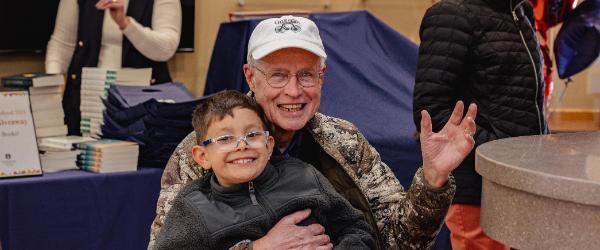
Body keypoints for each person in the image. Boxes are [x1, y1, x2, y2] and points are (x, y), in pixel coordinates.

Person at [150, 15, 478, 249]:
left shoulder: (345, 141)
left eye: (306, 75)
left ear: (322, 76)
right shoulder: (205, 149)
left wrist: (432, 180)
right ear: (251, 77)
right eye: (278, 75)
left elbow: (398, 242)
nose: (294, 91)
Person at [153, 90, 375, 249]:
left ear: (269, 146)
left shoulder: (304, 176)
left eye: (252, 135)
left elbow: (355, 228)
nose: (242, 145)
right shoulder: (194, 208)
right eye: (225, 138)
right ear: (202, 157)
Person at [412, 0, 548, 249]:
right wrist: (498, 152)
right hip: (478, 183)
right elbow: (431, 112)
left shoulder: (519, 12)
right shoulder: (451, 15)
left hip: (521, 177)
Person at [45, 0, 181, 135]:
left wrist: (125, 24)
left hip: (141, 107)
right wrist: (48, 93)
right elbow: (61, 45)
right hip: (87, 103)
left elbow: (166, 49)